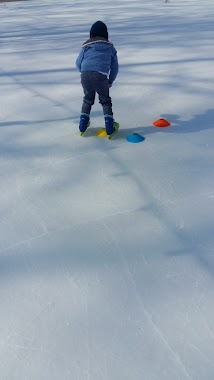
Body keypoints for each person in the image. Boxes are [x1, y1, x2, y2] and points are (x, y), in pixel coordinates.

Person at [76, 21, 119, 138]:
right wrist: (110, 81)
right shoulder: (111, 48)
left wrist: (84, 72)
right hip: (100, 76)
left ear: (91, 35)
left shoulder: (86, 47)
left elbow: (78, 62)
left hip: (85, 74)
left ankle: (83, 125)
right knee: (105, 100)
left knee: (87, 99)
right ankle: (110, 127)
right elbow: (115, 67)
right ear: (106, 35)